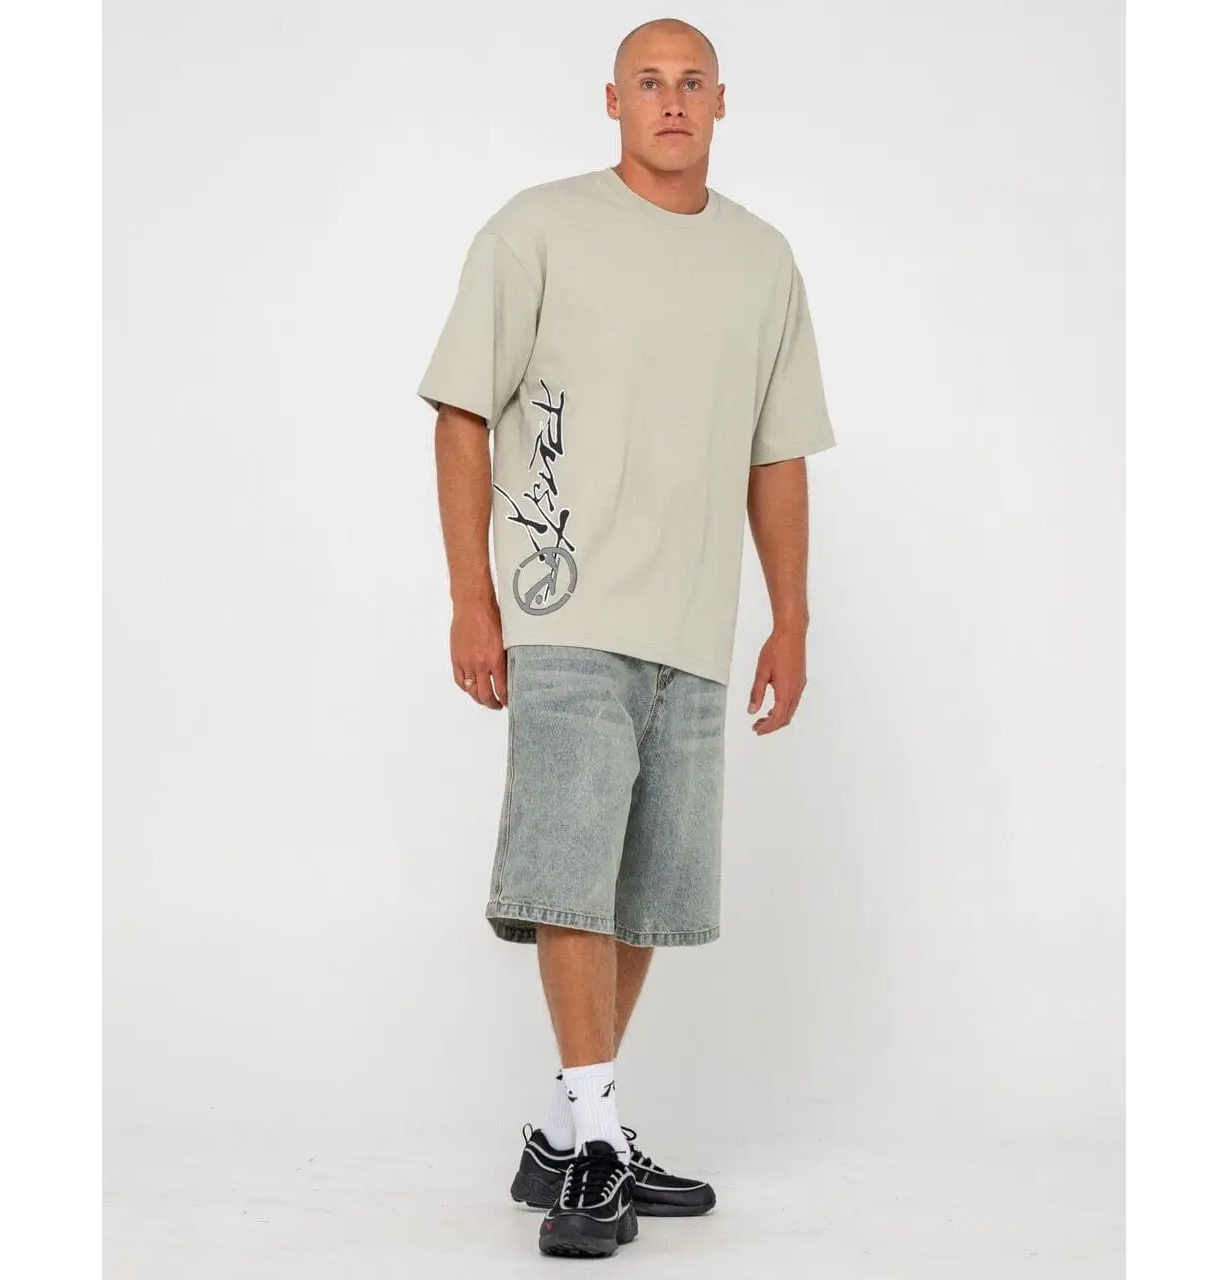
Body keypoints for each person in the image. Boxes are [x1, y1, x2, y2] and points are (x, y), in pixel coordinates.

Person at [418, 16, 834, 1260]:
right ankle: (596, 1139)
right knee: (568, 877)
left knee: (645, 894)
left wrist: (790, 616)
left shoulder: (761, 260)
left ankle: (566, 1131)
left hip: (693, 624)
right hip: (565, 613)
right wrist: (472, 597)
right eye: (647, 82)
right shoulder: (537, 229)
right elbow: (459, 412)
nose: (670, 101)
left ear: (722, 102)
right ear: (611, 102)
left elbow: (776, 452)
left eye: (690, 81)